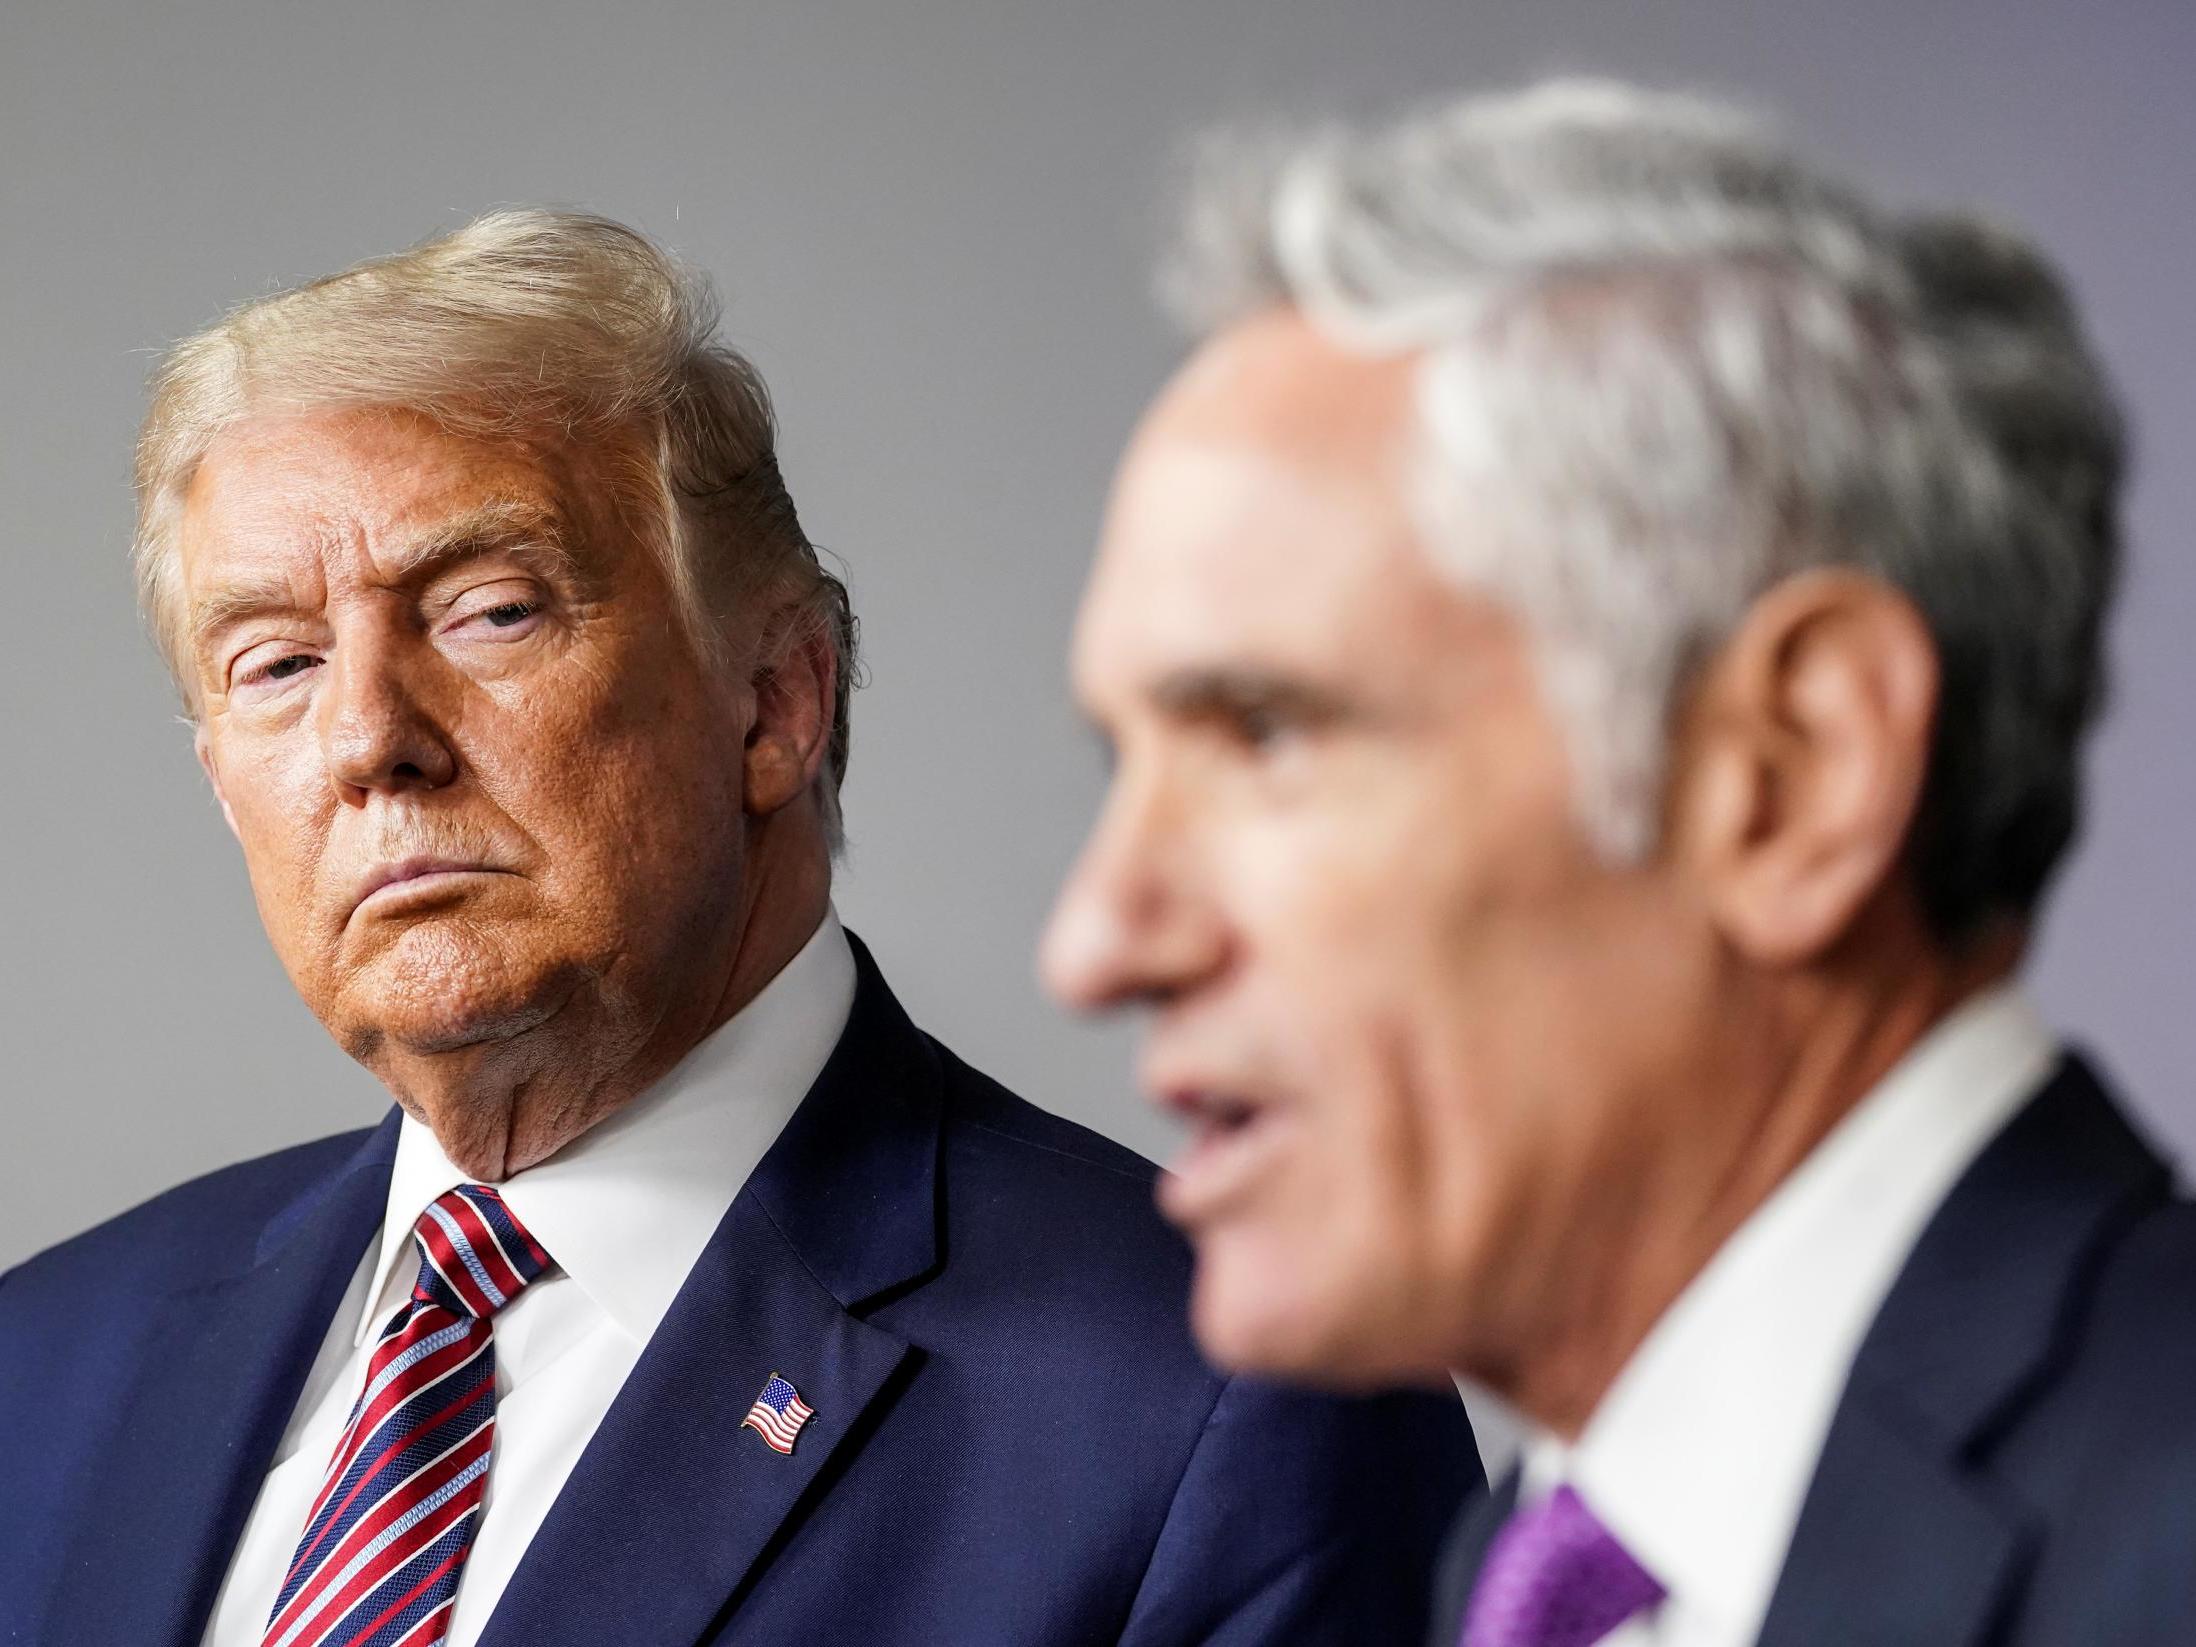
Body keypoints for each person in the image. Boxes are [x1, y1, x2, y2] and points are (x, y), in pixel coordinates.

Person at [0, 209, 1479, 1647]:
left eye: (491, 612)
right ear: (219, 784)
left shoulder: (1240, 1396)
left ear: (776, 701)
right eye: (276, 663)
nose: (369, 737)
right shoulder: (45, 1365)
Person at [1043, 78, 2195, 1645]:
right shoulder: (1545, 1569)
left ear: (1791, 777)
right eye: (1125, 767)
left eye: (1266, 734)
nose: (1099, 939)